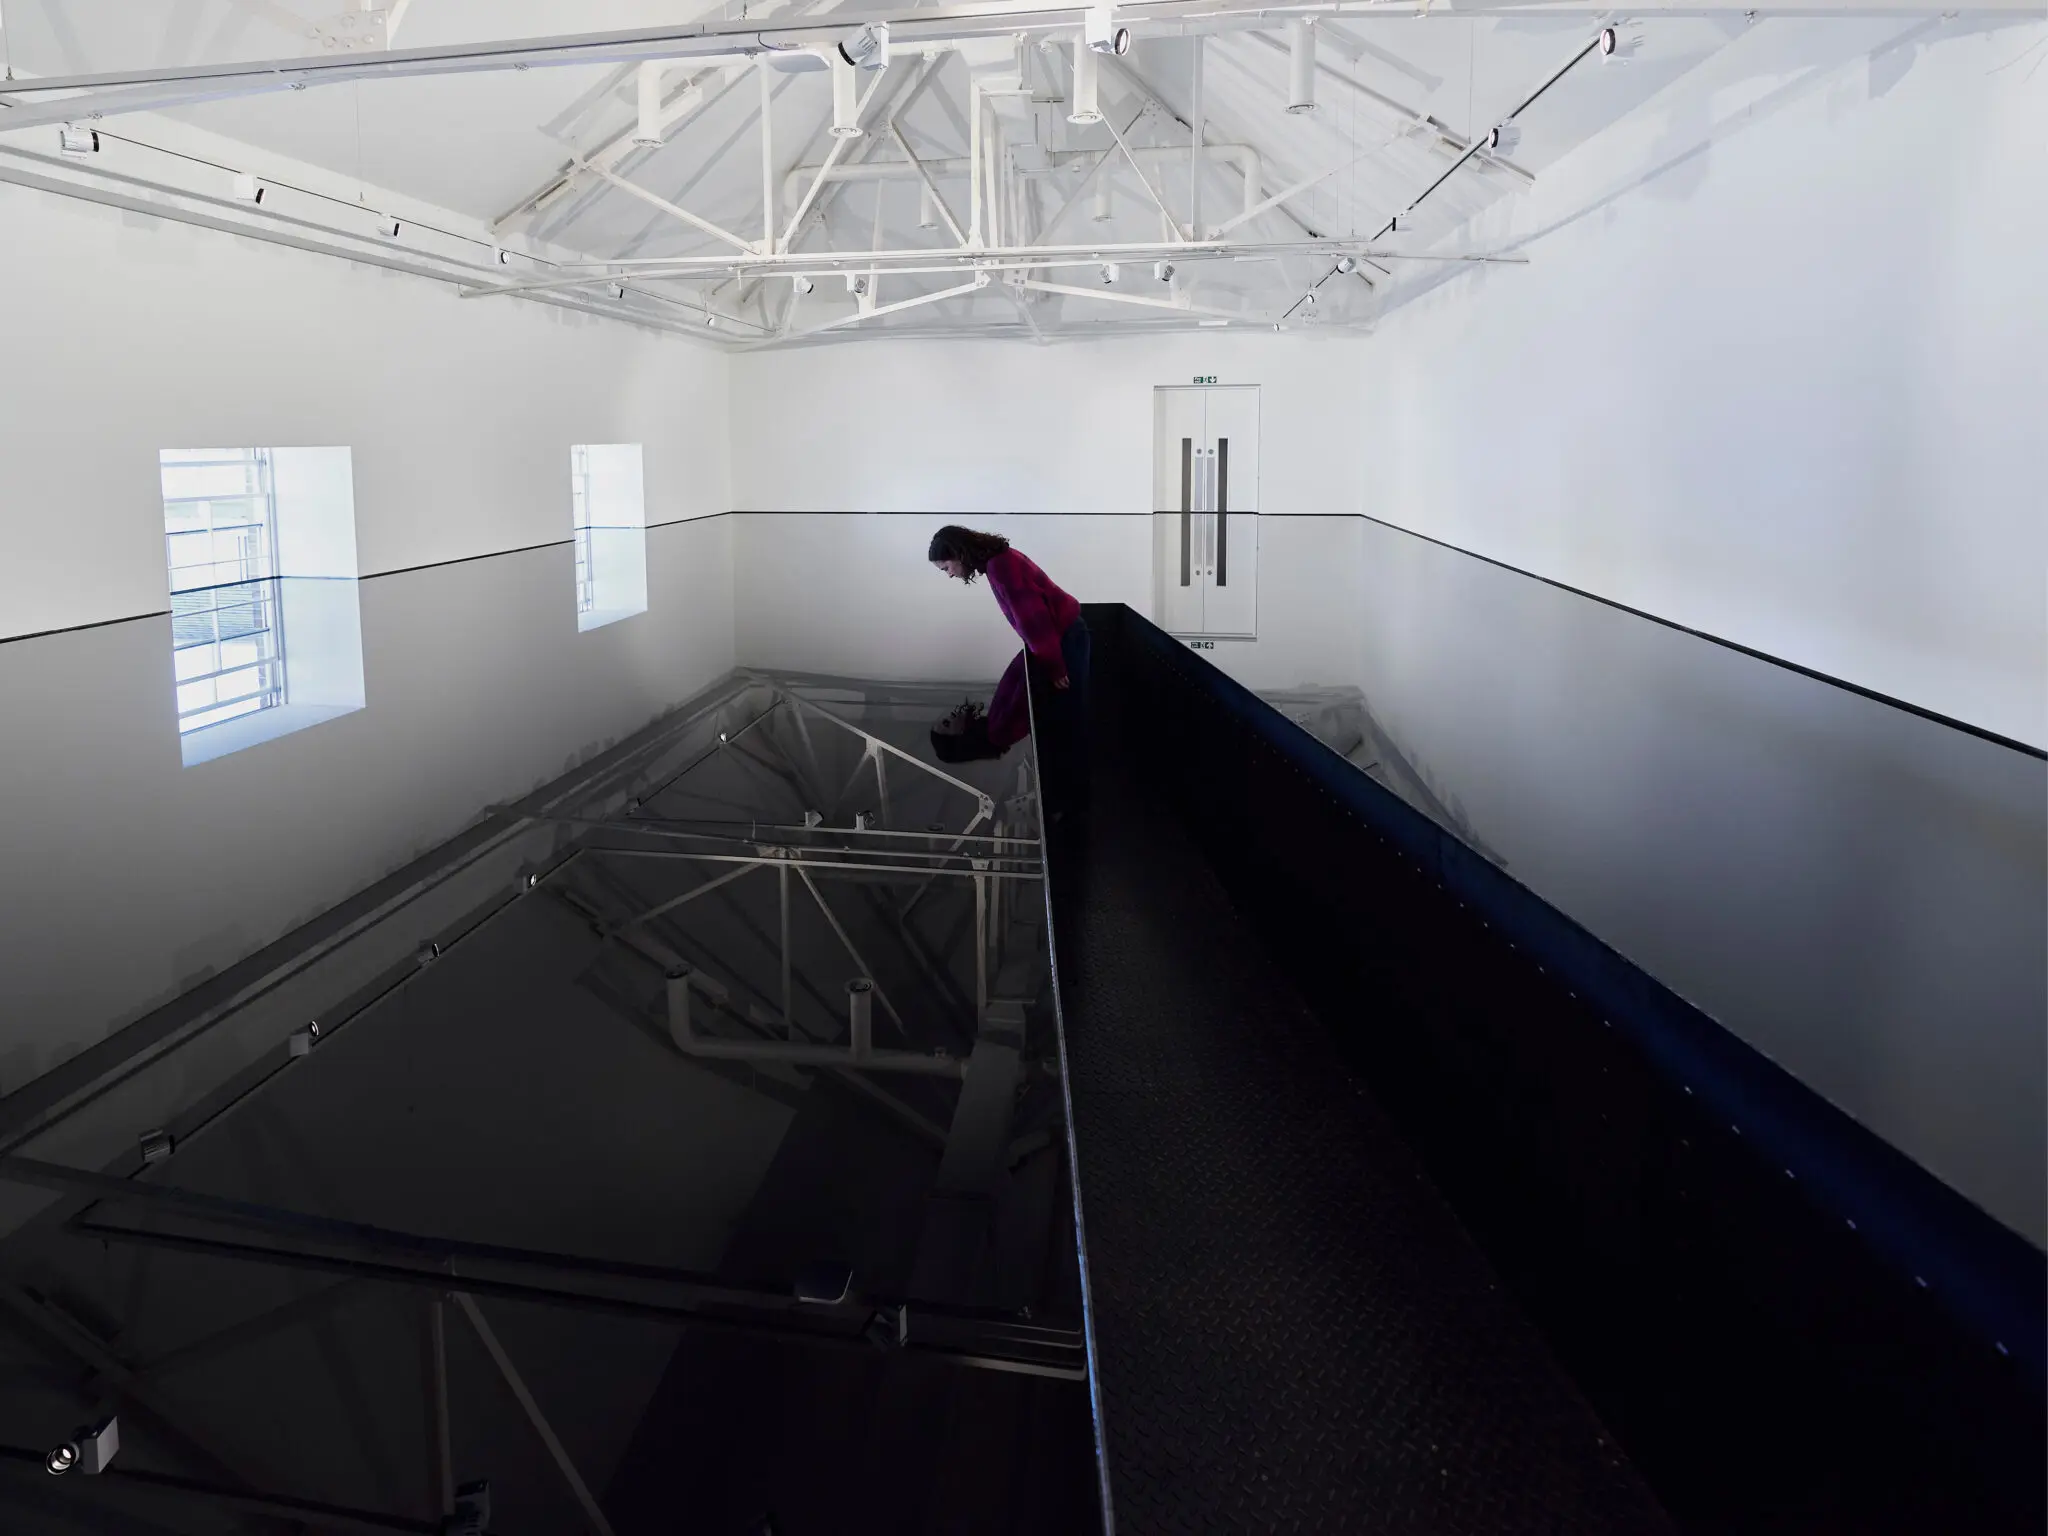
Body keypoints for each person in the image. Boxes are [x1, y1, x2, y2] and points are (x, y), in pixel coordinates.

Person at [928, 526, 1089, 816]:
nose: (949, 574)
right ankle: (1076, 804)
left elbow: (1033, 619)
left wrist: (1054, 666)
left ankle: (1076, 808)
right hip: (1065, 635)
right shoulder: (999, 562)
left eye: (946, 567)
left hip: (1064, 639)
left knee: (1073, 724)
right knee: (1072, 723)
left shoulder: (999, 567)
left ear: (959, 554)